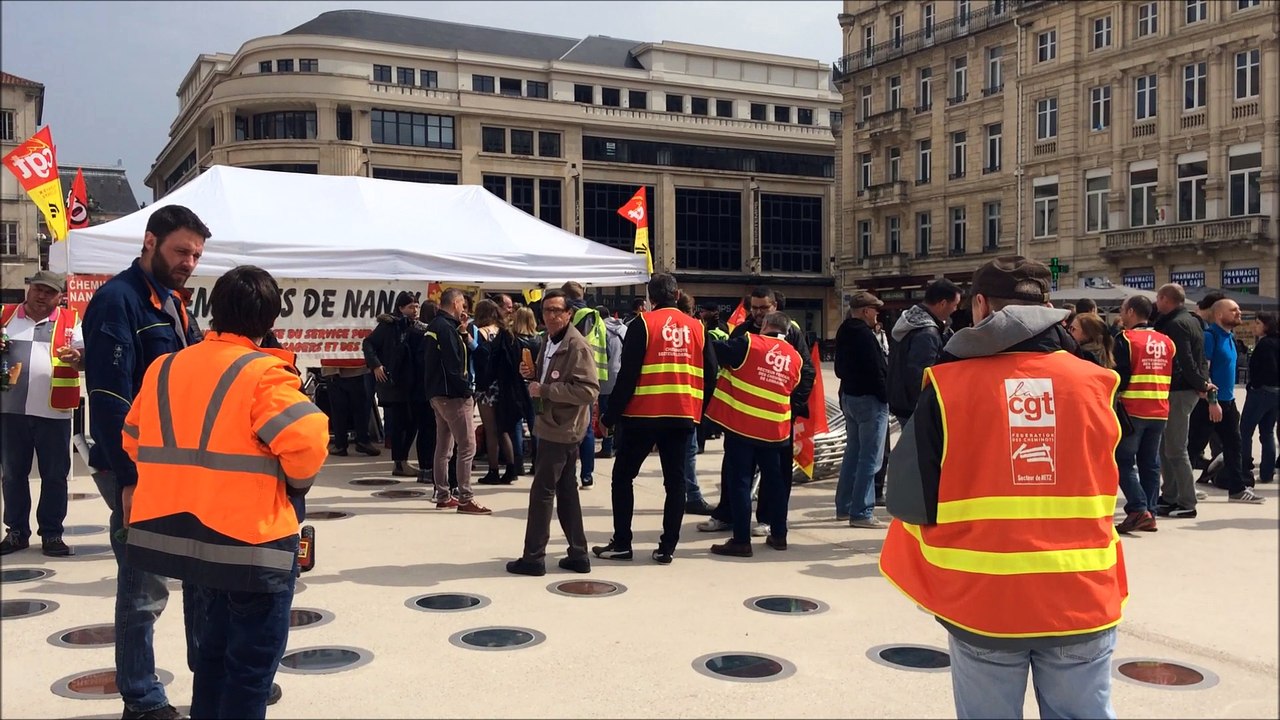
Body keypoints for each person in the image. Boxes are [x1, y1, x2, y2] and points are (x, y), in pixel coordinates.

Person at [881, 256, 1127, 720]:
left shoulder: (948, 386)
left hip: (986, 603)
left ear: (978, 305)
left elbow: (909, 499)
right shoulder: (1098, 384)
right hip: (1082, 593)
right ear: (1050, 306)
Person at [121, 265, 326, 719]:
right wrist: (294, 482)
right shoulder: (265, 373)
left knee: (211, 661)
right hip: (251, 544)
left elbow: (132, 436)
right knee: (250, 672)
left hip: (187, 543)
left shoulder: (165, 366)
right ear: (270, 319)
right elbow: (309, 439)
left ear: (214, 312)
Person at [82, 204, 209, 720]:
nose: (189, 262)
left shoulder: (175, 304)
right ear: (150, 242)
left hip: (182, 467)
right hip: (137, 469)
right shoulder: (118, 301)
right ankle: (142, 697)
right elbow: (109, 398)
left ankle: (213, 676)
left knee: (202, 573)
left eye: (197, 255)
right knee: (143, 587)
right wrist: (130, 481)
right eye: (182, 251)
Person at [595, 273, 715, 564]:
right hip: (682, 414)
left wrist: (609, 416)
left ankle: (622, 543)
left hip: (642, 415)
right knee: (675, 483)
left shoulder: (643, 324)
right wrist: (699, 408)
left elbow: (627, 375)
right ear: (676, 295)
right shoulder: (698, 328)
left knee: (623, 477)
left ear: (650, 298)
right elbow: (711, 372)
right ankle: (666, 548)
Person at [699, 287, 812, 535]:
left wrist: (792, 407)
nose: (758, 313)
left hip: (777, 420)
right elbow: (720, 359)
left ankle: (768, 521)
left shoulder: (790, 331)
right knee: (735, 470)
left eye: (764, 308)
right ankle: (727, 515)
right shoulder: (742, 332)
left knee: (776, 474)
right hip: (741, 419)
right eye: (755, 308)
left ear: (775, 306)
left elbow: (807, 372)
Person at [505, 290, 600, 576]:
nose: (551, 316)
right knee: (566, 490)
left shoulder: (577, 346)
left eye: (557, 310)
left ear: (569, 313)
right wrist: (532, 375)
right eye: (546, 310)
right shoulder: (548, 340)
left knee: (542, 492)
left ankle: (534, 557)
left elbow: (588, 390)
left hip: (561, 428)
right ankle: (578, 553)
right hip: (551, 423)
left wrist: (545, 390)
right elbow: (547, 379)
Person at [0, 271, 83, 557]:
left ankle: (52, 534)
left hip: (54, 411)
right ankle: (16, 532)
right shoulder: (5, 315)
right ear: (29, 288)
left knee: (55, 475)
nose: (41, 296)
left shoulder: (71, 321)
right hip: (10, 409)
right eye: (37, 289)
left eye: (49, 292)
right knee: (12, 474)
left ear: (60, 297)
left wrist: (78, 359)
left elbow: (85, 357)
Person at [423, 288, 491, 514]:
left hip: (438, 394)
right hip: (453, 395)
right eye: (463, 304)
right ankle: (466, 498)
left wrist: (463, 332)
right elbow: (453, 363)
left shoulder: (435, 326)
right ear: (455, 303)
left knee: (444, 446)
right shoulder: (445, 328)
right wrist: (465, 390)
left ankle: (443, 494)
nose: (465, 309)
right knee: (467, 446)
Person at [1112, 295, 1176, 533]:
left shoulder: (1126, 339)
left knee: (1123, 461)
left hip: (1133, 409)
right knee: (1150, 464)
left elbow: (1120, 375)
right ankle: (1150, 511)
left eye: (1122, 310)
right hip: (1159, 409)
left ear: (1130, 312)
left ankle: (1139, 509)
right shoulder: (1167, 341)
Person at [1190, 299, 1264, 503]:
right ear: (1219, 315)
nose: (1239, 312)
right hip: (1209, 403)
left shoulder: (1230, 336)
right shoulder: (1209, 337)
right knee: (1194, 447)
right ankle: (1180, 486)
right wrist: (1212, 401)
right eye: (1234, 310)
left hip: (1228, 403)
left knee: (1234, 446)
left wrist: (1226, 403)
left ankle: (1237, 489)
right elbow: (1204, 372)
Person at [1152, 283, 1215, 519]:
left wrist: (1201, 385)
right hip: (1184, 389)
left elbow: (1187, 360)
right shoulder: (1192, 321)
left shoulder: (1176, 324)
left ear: (1165, 299)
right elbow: (1201, 359)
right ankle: (1169, 496)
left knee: (1176, 449)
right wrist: (1202, 382)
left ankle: (1187, 502)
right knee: (1166, 447)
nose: (1157, 304)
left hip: (1179, 390)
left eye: (1159, 299)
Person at [834, 291, 889, 528]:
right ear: (866, 311)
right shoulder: (866, 336)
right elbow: (877, 370)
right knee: (870, 458)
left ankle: (844, 506)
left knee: (853, 454)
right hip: (870, 400)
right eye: (875, 310)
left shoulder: (844, 331)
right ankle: (862, 511)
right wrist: (886, 396)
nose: (877, 315)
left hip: (849, 396)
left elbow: (838, 369)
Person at [363, 291, 422, 477]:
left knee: (412, 423)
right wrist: (376, 365)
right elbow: (368, 343)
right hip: (395, 384)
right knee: (399, 425)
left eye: (417, 306)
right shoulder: (389, 326)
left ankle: (402, 461)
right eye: (411, 306)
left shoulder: (418, 326)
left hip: (413, 383)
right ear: (401, 308)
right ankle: (399, 462)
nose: (415, 310)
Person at [888, 279, 963, 423]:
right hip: (915, 408)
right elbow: (921, 377)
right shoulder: (927, 333)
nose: (955, 310)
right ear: (942, 303)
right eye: (955, 305)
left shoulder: (910, 320)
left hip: (901, 401)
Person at [562, 281, 609, 488]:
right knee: (587, 427)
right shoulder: (598, 318)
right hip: (595, 377)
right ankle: (587, 475)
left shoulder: (574, 315)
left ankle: (568, 473)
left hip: (575, 377)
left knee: (570, 426)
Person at [472, 299, 518, 485]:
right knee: (503, 429)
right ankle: (512, 468)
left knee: (490, 430)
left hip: (486, 386)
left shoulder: (480, 332)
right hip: (504, 385)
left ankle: (493, 470)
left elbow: (479, 359)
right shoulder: (506, 332)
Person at [675, 290, 713, 514]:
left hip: (656, 403)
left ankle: (683, 493)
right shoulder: (698, 330)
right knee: (688, 452)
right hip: (689, 403)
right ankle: (692, 495)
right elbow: (710, 369)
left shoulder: (652, 326)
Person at [1241, 312, 1278, 485]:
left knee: (1245, 431)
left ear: (1266, 325)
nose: (1254, 326)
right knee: (1268, 432)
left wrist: (1254, 385)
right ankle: (1267, 472)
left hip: (1262, 391)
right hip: (1276, 393)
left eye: (1257, 323)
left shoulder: (1266, 344)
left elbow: (1265, 368)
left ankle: (1244, 470)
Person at [509, 306, 541, 472]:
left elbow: (510, 365)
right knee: (535, 424)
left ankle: (518, 463)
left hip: (516, 386)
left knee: (516, 425)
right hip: (535, 386)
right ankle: (536, 463)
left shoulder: (513, 340)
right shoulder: (539, 340)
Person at [595, 304, 626, 460]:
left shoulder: (600, 329)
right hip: (622, 376)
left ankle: (607, 447)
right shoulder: (624, 328)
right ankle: (619, 445)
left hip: (606, 378)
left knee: (606, 415)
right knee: (621, 414)